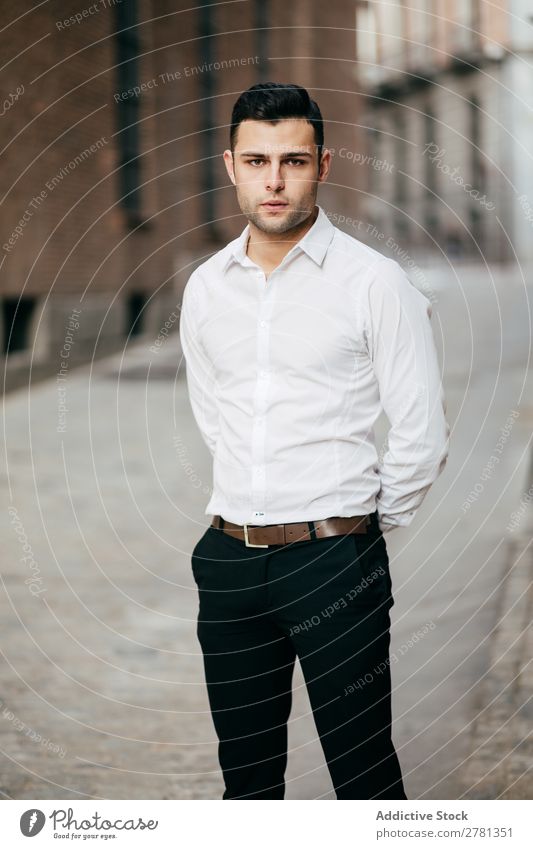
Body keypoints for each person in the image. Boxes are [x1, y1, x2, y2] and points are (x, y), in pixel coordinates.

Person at [179, 82, 449, 800]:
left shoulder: (373, 283)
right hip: (228, 564)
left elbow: (420, 431)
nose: (273, 180)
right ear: (229, 164)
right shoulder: (205, 287)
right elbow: (215, 411)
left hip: (335, 560)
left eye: (292, 160)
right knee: (247, 786)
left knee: (361, 781)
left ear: (322, 165)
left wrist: (354, 529)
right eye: (257, 160)